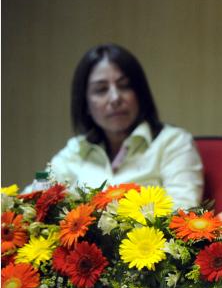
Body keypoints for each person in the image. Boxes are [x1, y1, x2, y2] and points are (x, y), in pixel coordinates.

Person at [48, 43, 203, 208]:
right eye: (101, 89)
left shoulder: (173, 142)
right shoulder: (76, 150)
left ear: (140, 94)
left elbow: (183, 209)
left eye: (124, 86)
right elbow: (35, 202)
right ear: (85, 104)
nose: (115, 98)